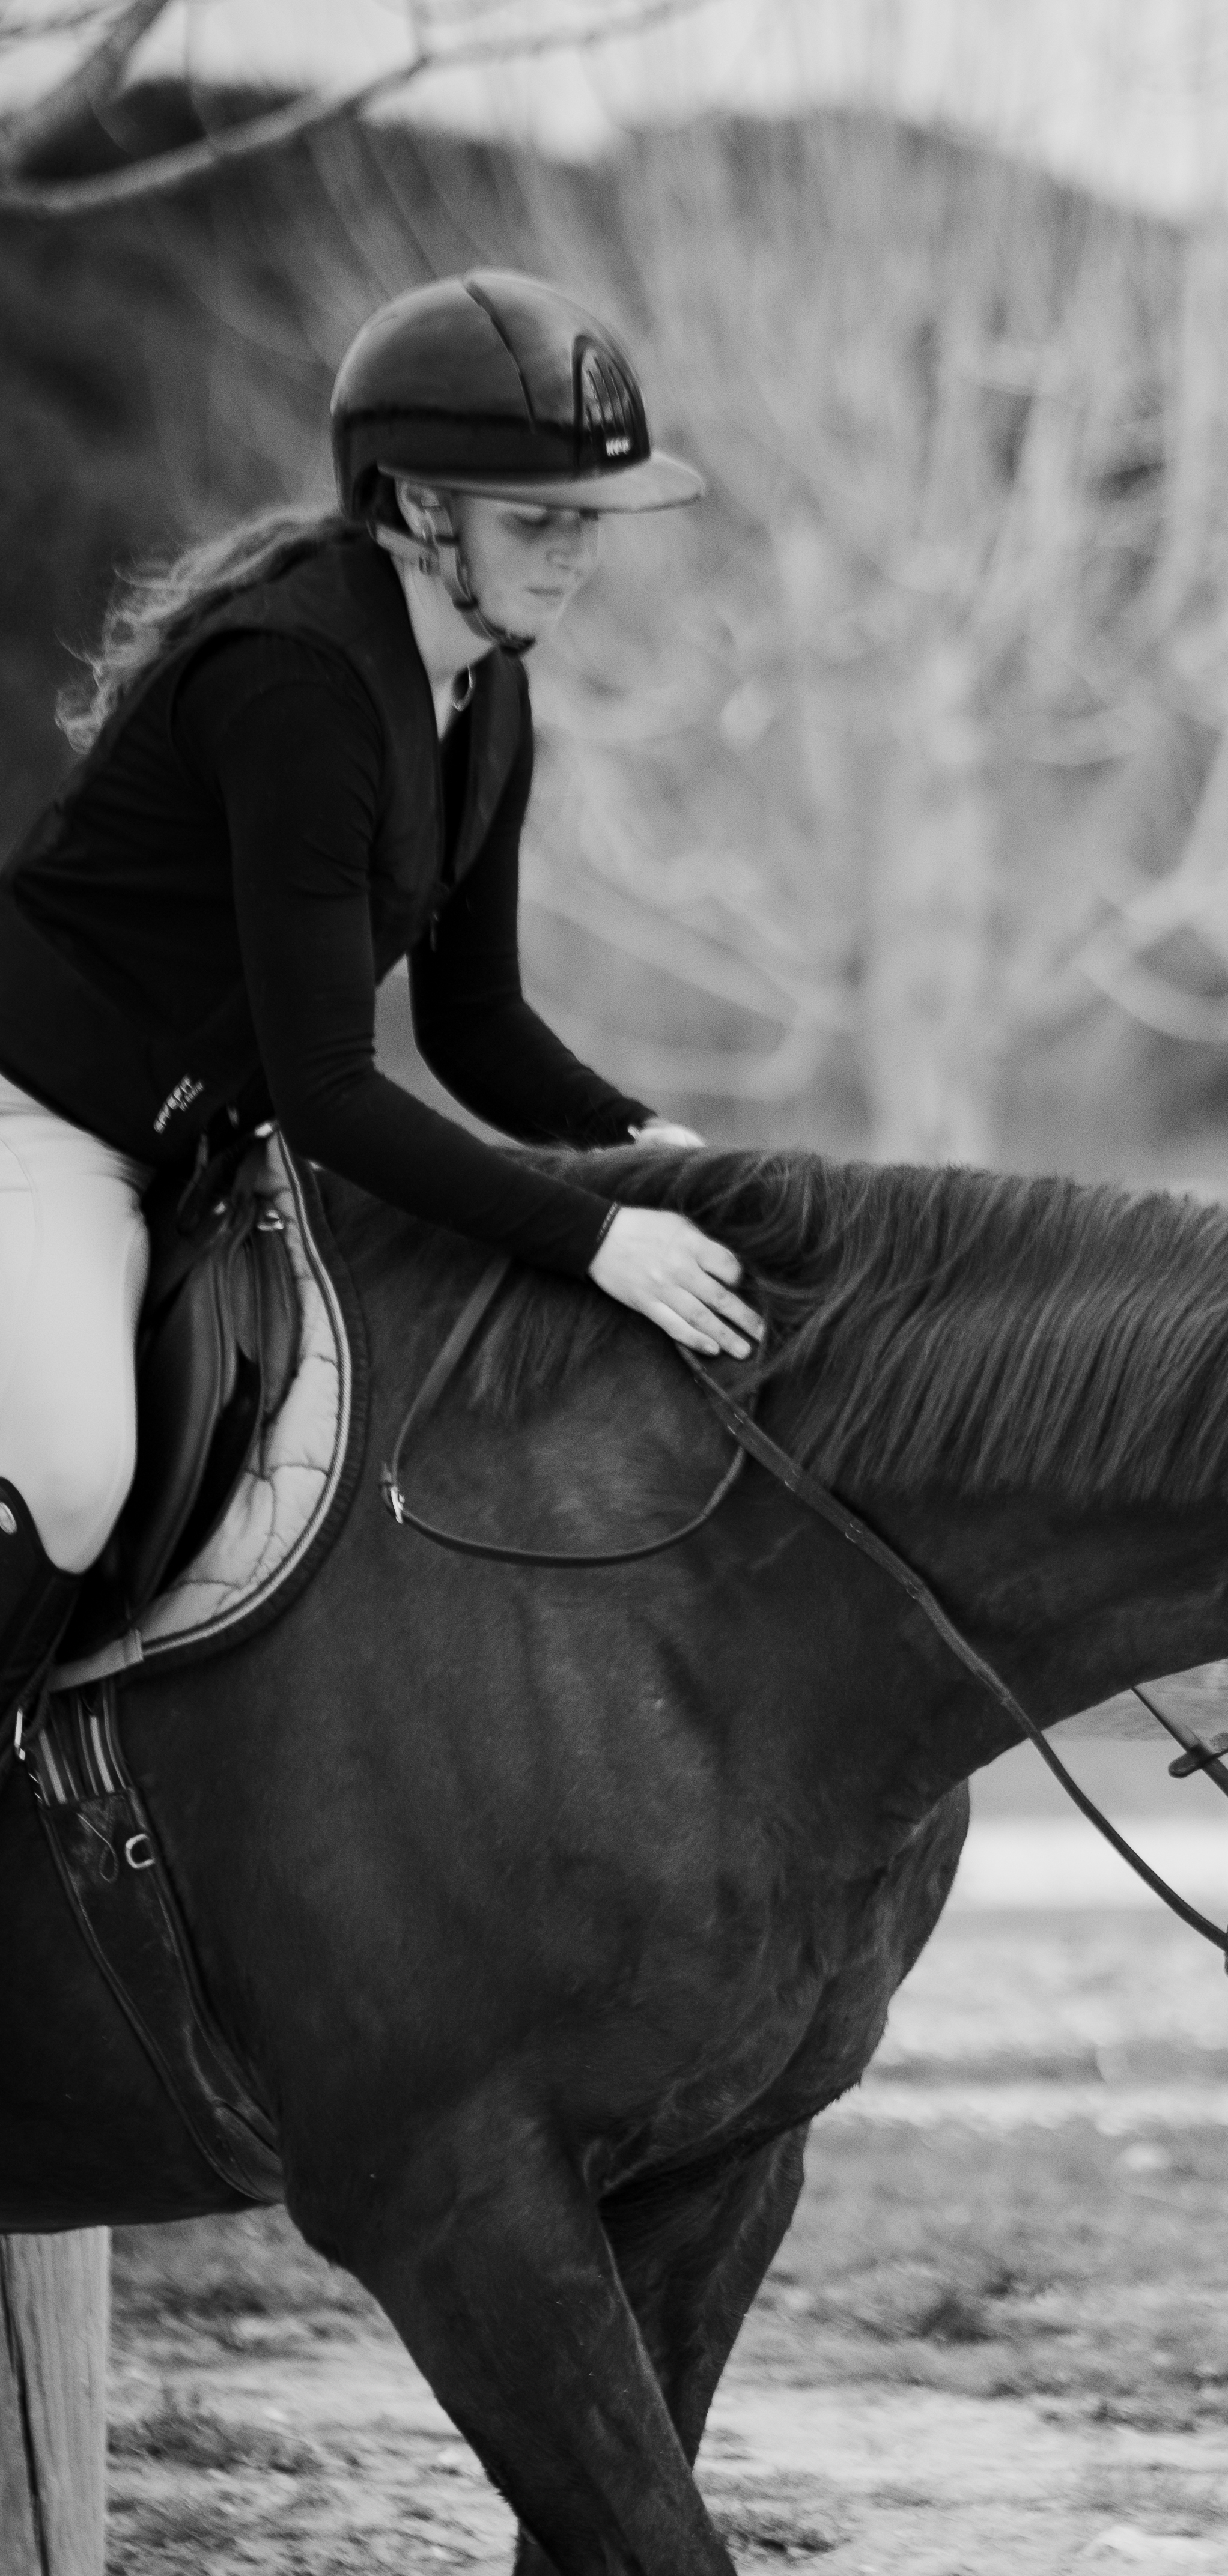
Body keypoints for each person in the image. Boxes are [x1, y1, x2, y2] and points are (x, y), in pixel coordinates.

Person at [0, 267, 764, 1733]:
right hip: (44, 1118)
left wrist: (652, 1145)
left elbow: (474, 1024)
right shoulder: (296, 683)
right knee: (78, 1472)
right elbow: (330, 1089)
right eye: (537, 516)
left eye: (587, 519)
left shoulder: (487, 687)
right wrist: (595, 1235)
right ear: (419, 508)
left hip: (198, 1145)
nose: (574, 554)